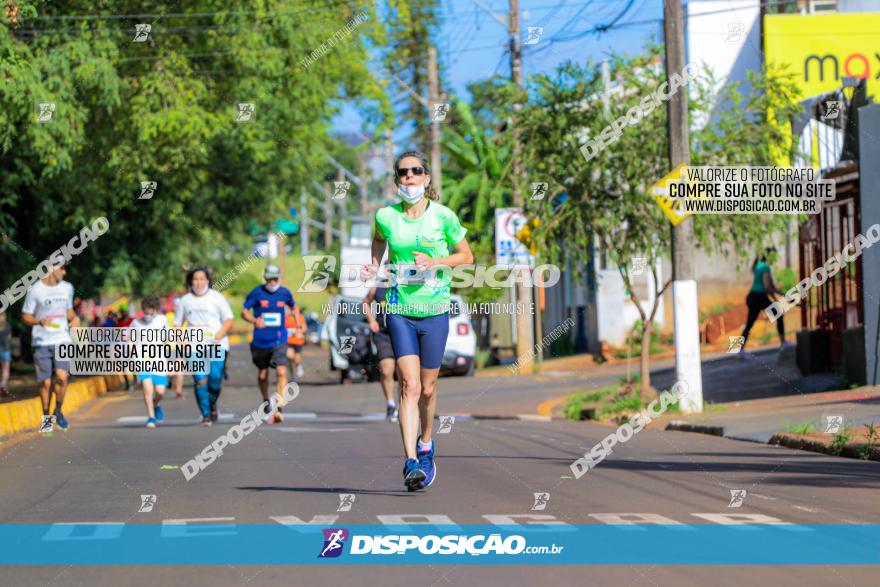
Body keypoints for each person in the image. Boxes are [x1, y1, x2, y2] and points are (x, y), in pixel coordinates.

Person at [362, 150, 473, 491]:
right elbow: (380, 241)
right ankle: (411, 460)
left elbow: (467, 256)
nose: (409, 177)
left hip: (435, 311)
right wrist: (374, 265)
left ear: (426, 178)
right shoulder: (385, 216)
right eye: (403, 173)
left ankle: (426, 443)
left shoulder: (444, 217)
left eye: (416, 171)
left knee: (428, 388)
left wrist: (436, 261)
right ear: (397, 180)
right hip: (399, 310)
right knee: (408, 386)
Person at [22, 261, 79, 432]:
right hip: (41, 341)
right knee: (45, 383)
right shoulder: (35, 290)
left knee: (62, 377)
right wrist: (38, 321)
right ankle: (46, 417)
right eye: (62, 268)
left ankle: (58, 411)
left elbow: (68, 311)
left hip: (62, 339)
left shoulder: (67, 288)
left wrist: (74, 319)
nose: (65, 271)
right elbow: (26, 316)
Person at [174, 266, 234, 426]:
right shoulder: (185, 301)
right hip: (194, 347)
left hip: (216, 344)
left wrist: (220, 334)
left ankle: (213, 403)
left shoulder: (217, 298)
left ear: (207, 280)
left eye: (202, 279)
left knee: (214, 379)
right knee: (200, 380)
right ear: (190, 281)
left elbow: (228, 319)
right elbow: (178, 324)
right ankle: (206, 414)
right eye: (195, 279)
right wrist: (182, 341)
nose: (199, 282)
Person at [242, 264, 296, 424]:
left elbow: (294, 307)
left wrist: (296, 324)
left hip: (279, 338)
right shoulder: (257, 293)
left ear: (278, 277)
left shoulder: (285, 293)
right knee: (262, 374)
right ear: (265, 277)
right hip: (260, 340)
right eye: (269, 278)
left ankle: (279, 406)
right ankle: (266, 400)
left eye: (275, 278)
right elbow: (244, 311)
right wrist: (254, 320)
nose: (272, 281)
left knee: (281, 371)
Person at [740, 247, 786, 353]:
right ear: (770, 256)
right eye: (774, 256)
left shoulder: (759, 266)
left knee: (749, 324)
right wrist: (781, 295)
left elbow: (770, 287)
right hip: (759, 297)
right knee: (779, 314)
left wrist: (778, 296)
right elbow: (768, 287)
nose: (776, 258)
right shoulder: (765, 268)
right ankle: (783, 343)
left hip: (753, 297)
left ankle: (739, 349)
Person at [132, 295, 169, 428]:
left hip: (159, 360)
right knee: (147, 389)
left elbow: (167, 339)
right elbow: (131, 341)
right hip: (142, 360)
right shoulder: (136, 323)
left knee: (160, 392)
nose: (148, 314)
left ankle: (156, 404)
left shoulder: (162, 320)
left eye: (150, 311)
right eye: (145, 311)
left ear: (155, 309)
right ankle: (151, 418)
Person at [363, 286, 398, 422]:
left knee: (404, 374)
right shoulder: (377, 289)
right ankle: (390, 404)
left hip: (403, 334)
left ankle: (405, 404)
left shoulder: (406, 285)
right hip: (383, 335)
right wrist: (371, 321)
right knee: (386, 370)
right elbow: (365, 303)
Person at [285, 303, 308, 379]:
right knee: (289, 356)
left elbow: (304, 328)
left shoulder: (300, 317)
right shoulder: (285, 317)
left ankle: (298, 365)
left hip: (298, 341)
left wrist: (299, 331)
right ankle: (292, 375)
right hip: (288, 341)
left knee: (297, 358)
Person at [0, 310, 11, 398]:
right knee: (5, 370)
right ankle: (3, 384)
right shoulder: (7, 326)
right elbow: (9, 338)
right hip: (5, 351)